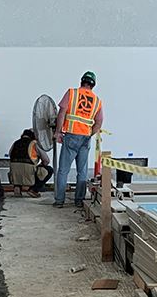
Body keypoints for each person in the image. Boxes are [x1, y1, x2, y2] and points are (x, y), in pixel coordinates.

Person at [54, 71, 103, 208]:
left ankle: (59, 201)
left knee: (63, 170)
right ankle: (79, 201)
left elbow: (62, 113)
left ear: (82, 81)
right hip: (85, 138)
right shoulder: (97, 101)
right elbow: (99, 122)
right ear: (93, 85)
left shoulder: (72, 93)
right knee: (82, 171)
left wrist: (58, 132)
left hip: (71, 136)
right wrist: (89, 134)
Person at [8, 129, 51, 197]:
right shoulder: (34, 144)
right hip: (29, 173)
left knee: (17, 168)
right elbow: (46, 161)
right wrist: (40, 165)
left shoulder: (15, 143)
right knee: (49, 170)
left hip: (14, 174)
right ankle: (33, 190)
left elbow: (10, 155)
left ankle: (17, 188)